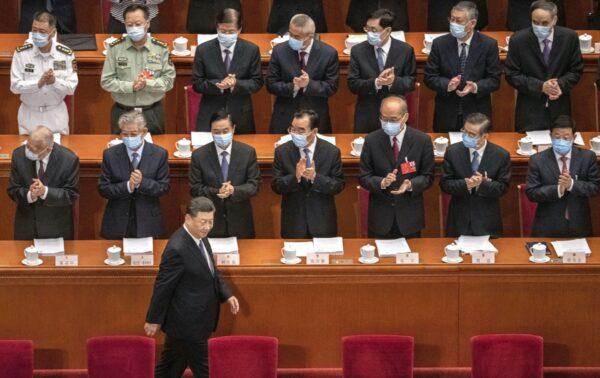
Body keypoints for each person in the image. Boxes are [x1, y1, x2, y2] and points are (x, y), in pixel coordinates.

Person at [145, 196, 240, 378]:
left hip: (195, 321)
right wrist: (153, 319)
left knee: (169, 368)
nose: (207, 227)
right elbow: (163, 286)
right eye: (202, 222)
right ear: (188, 218)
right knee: (206, 370)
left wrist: (227, 294)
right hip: (187, 324)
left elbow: (212, 271)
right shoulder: (177, 248)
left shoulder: (201, 237)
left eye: (210, 222)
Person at [359, 96, 434, 238]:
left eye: (393, 120)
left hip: (409, 218)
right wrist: (381, 182)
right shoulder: (371, 140)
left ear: (405, 117)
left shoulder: (422, 140)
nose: (387, 123)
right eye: (383, 118)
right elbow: (364, 177)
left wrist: (411, 184)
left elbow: (428, 176)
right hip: (380, 218)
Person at [504, 0, 582, 132]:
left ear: (555, 20)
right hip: (529, 109)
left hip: (559, 107)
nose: (539, 26)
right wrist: (540, 86)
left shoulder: (569, 37)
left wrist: (560, 85)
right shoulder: (518, 40)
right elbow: (511, 74)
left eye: (545, 23)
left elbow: (576, 70)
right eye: (535, 22)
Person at [424, 1, 501, 132]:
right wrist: (447, 84)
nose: (453, 24)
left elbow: (494, 80)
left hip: (477, 114)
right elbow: (430, 77)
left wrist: (476, 87)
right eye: (452, 19)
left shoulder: (488, 45)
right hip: (446, 114)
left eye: (458, 21)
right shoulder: (439, 44)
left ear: (472, 23)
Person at [100, 4, 175, 135]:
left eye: (138, 23)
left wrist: (147, 83)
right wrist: (131, 86)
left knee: (155, 152)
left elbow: (168, 82)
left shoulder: (161, 48)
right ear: (124, 25)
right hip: (123, 111)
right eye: (129, 24)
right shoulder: (115, 48)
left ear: (147, 23)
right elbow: (106, 81)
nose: (134, 28)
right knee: (119, 152)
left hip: (151, 112)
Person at [272, 109, 344, 238]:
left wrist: (316, 177)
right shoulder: (282, 151)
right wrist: (296, 177)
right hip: (293, 223)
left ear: (314, 131)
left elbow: (338, 186)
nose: (295, 134)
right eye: (292, 129)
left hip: (323, 223)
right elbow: (276, 186)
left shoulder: (331, 152)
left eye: (301, 130)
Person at [98, 110, 170, 239]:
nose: (129, 138)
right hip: (117, 222)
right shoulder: (110, 154)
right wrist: (128, 186)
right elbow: (103, 189)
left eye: (133, 134)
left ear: (144, 132)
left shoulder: (159, 154)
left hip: (148, 222)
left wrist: (142, 183)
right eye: (125, 134)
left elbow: (164, 188)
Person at [190, 111, 261, 238]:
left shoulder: (247, 152)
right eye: (216, 132)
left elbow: (254, 185)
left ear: (233, 129)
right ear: (210, 132)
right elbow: (195, 189)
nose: (221, 135)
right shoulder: (199, 155)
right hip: (210, 225)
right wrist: (218, 191)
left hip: (240, 223)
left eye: (225, 131)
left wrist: (233, 190)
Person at [526, 115, 600, 237]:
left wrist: (571, 184)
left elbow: (595, 188)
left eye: (566, 138)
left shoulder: (587, 157)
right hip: (547, 226)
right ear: (550, 136)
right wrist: (557, 190)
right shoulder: (537, 160)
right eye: (557, 137)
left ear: (574, 137)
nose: (561, 141)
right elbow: (531, 193)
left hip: (579, 226)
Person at [192, 8, 263, 134]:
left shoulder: (251, 50)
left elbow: (256, 82)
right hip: (210, 114)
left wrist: (236, 84)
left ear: (239, 30)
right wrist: (219, 85)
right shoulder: (203, 50)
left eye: (231, 32)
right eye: (223, 31)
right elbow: (197, 83)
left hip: (241, 115)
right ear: (217, 28)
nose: (226, 35)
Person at [440, 113, 511, 237]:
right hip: (458, 220)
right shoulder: (452, 152)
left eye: (472, 135)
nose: (466, 136)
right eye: (465, 131)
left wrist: (482, 184)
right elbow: (445, 184)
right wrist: (465, 184)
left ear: (485, 136)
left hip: (488, 222)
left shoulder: (501, 155)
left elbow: (503, 188)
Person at [266, 14, 338, 134]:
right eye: (290, 34)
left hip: (315, 117)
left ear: (310, 36)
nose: (292, 39)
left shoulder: (328, 53)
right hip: (284, 116)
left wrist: (308, 84)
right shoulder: (279, 51)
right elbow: (271, 84)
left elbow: (331, 87)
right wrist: (294, 86)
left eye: (297, 36)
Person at [348, 9, 416, 133]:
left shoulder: (405, 50)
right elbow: (353, 84)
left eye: (374, 30)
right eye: (367, 29)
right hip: (367, 115)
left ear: (388, 30)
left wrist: (393, 81)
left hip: (395, 116)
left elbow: (410, 83)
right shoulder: (358, 51)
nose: (369, 33)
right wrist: (376, 83)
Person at [11, 11, 78, 135]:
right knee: (28, 153)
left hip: (56, 116)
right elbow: (15, 87)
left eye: (42, 32)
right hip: (29, 115)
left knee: (59, 153)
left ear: (52, 33)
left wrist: (55, 82)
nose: (37, 35)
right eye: (34, 30)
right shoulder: (21, 53)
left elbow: (71, 88)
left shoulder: (65, 53)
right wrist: (38, 83)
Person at [7, 126, 79, 240]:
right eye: (28, 146)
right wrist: (30, 195)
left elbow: (71, 194)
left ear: (48, 149)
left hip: (56, 227)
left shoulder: (68, 159)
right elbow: (13, 189)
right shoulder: (18, 155)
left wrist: (45, 191)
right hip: (26, 227)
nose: (28, 151)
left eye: (34, 150)